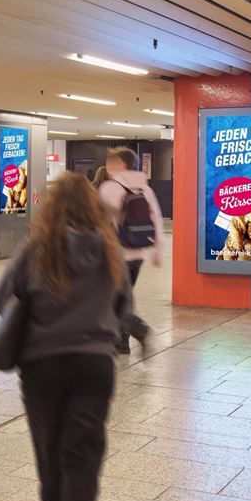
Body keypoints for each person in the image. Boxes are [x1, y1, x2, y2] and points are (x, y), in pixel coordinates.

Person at [0, 172, 139, 501]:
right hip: (94, 366)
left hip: (42, 367)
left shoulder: (36, 248)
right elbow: (124, 308)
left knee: (50, 455)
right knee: (83, 458)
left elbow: (1, 298)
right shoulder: (109, 249)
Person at [99, 147, 164, 354]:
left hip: (115, 254)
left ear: (121, 165)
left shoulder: (109, 188)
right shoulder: (145, 189)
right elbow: (157, 220)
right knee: (122, 297)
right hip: (138, 254)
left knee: (110, 298)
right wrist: (158, 251)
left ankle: (136, 331)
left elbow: (98, 221)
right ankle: (121, 342)